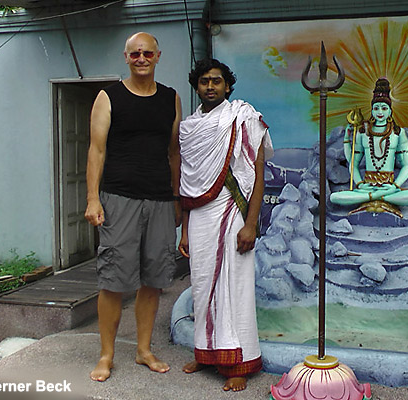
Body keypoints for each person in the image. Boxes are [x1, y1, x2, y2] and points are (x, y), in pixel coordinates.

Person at [84, 32, 182, 382]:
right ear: (126, 57)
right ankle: (106, 355)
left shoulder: (170, 98)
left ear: (158, 56)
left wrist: (176, 199)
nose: (141, 59)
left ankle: (143, 350)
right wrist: (93, 198)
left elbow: (174, 152)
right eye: (135, 54)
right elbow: (96, 150)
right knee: (113, 279)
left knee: (154, 279)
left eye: (148, 54)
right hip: (118, 198)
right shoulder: (108, 97)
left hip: (159, 199)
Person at [177, 59, 273, 392]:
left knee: (235, 288)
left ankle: (239, 363)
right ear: (197, 86)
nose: (210, 86)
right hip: (200, 217)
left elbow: (257, 175)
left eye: (216, 81)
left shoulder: (243, 118)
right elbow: (187, 185)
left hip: (233, 212)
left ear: (227, 86)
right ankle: (206, 354)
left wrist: (251, 224)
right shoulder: (190, 128)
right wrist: (184, 231)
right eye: (204, 81)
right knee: (202, 286)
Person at [329, 78, 408, 216]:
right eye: (376, 108)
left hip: (389, 187)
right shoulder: (363, 132)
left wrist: (395, 186)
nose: (380, 112)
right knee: (335, 197)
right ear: (372, 110)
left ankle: (372, 199)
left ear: (390, 111)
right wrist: (360, 184)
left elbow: (407, 165)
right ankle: (379, 198)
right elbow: (353, 163)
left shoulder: (397, 132)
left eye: (384, 108)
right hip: (367, 187)